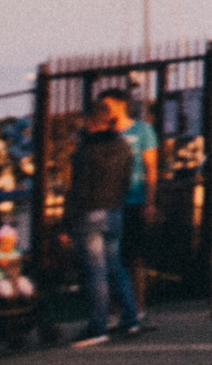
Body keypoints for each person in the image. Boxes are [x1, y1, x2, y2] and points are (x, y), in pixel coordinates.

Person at [63, 91, 143, 344]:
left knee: (95, 272)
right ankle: (131, 317)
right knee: (115, 266)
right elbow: (126, 180)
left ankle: (98, 326)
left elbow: (78, 188)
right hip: (114, 210)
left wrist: (68, 222)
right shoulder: (122, 146)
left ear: (92, 121)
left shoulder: (87, 149)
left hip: (90, 212)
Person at [110, 91, 160, 321]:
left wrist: (149, 202)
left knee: (135, 258)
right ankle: (116, 309)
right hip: (111, 201)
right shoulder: (106, 132)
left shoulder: (142, 131)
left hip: (135, 199)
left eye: (108, 104)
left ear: (121, 104)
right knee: (113, 257)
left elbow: (151, 167)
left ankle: (138, 308)